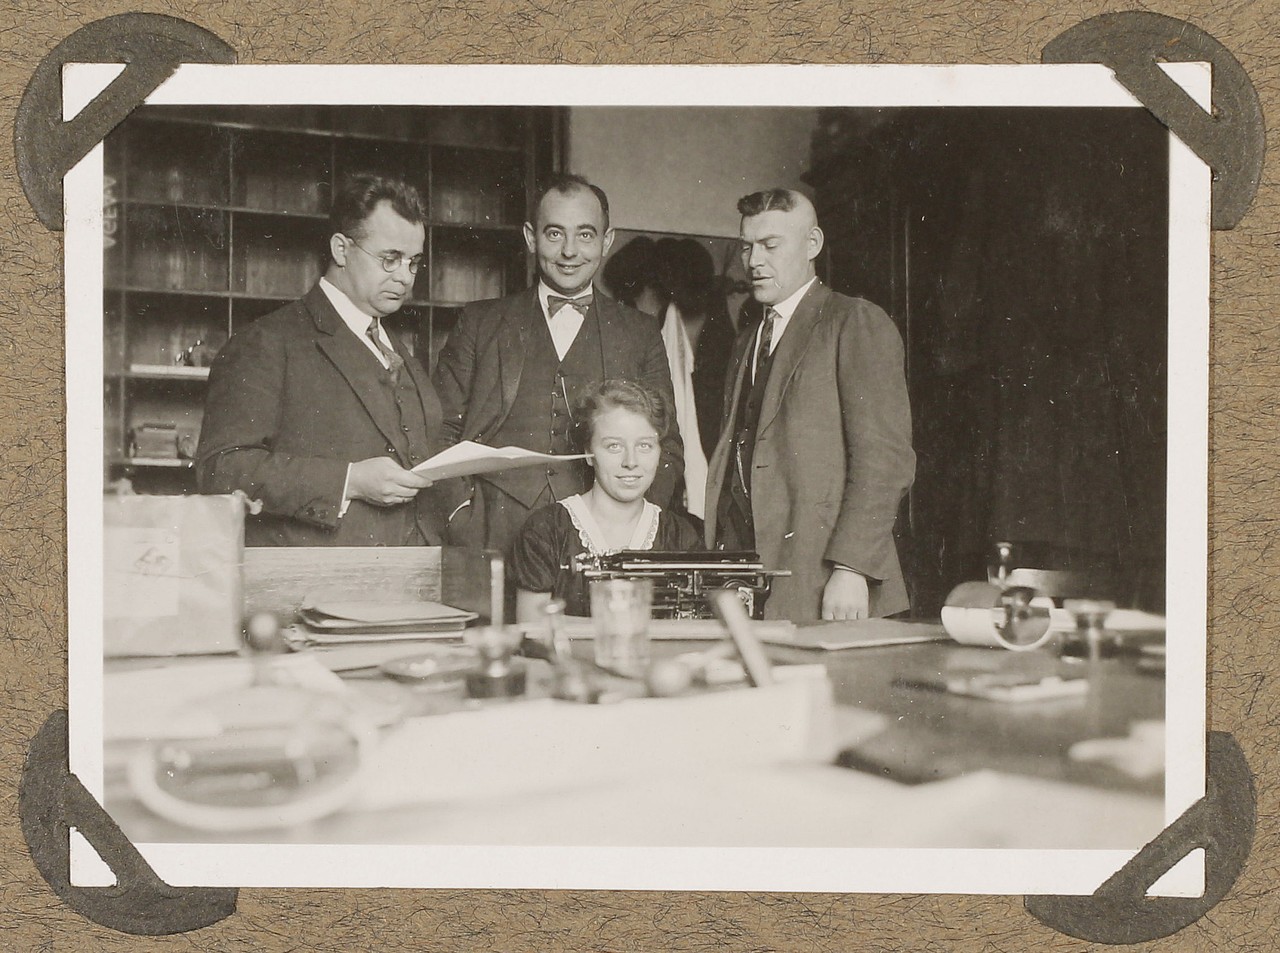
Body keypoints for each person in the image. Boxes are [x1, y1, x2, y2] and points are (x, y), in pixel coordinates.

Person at [434, 173, 683, 563]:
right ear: (531, 238)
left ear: (607, 240)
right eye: (554, 234)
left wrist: (634, 529)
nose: (570, 251)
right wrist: (459, 518)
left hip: (605, 542)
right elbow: (440, 431)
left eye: (585, 235)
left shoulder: (640, 332)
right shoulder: (480, 322)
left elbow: (666, 443)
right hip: (491, 537)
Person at [196, 174, 448, 546]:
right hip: (318, 582)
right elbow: (220, 469)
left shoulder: (396, 348)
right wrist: (349, 481)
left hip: (413, 574)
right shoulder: (266, 341)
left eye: (413, 262)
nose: (405, 277)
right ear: (341, 250)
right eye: (389, 259)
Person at [705, 188, 915, 622]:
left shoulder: (853, 321)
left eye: (770, 245)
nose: (754, 261)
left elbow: (885, 461)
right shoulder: (747, 340)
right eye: (747, 247)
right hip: (751, 574)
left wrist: (852, 568)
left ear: (813, 244)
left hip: (827, 581)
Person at [512, 380, 701, 620]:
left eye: (644, 445)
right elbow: (533, 632)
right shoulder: (546, 531)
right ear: (589, 454)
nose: (630, 462)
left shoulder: (680, 535)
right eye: (614, 446)